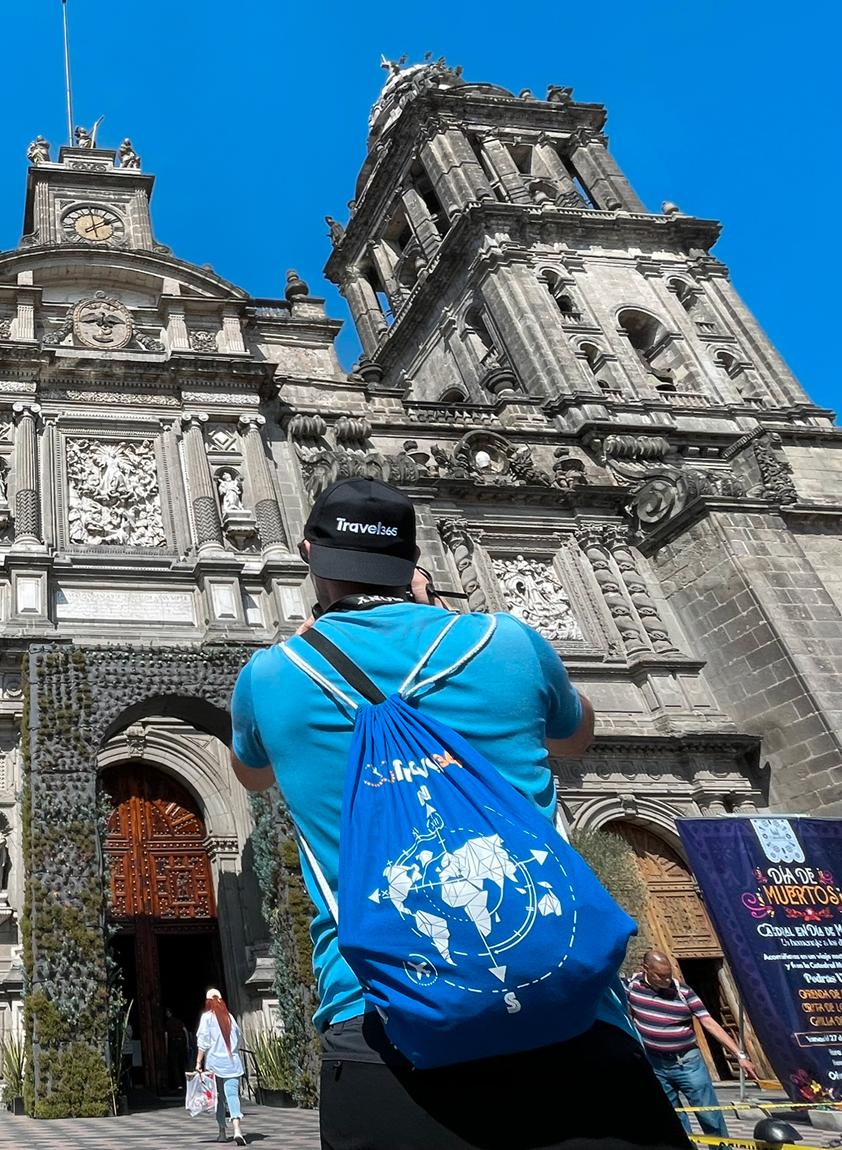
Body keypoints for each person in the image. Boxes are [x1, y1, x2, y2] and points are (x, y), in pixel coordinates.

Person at [229, 478, 691, 1150]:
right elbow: (576, 733)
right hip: (569, 1016)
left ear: (307, 555)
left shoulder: (272, 676)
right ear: (414, 563)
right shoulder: (506, 641)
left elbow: (251, 771)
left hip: (381, 1027)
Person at [626, 951, 756, 1139]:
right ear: (646, 970)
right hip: (656, 1064)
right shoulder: (632, 985)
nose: (666, 979)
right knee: (673, 1118)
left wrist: (740, 1054)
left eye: (668, 974)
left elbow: (708, 1022)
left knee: (709, 1115)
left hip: (687, 1063)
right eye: (660, 976)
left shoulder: (683, 991)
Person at [195, 989, 246, 1145]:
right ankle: (237, 1130)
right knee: (232, 1096)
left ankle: (222, 1132)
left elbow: (203, 1042)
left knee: (219, 1099)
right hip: (232, 1063)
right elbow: (238, 1039)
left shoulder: (206, 1018)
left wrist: (198, 1062)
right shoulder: (229, 1017)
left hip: (214, 1064)